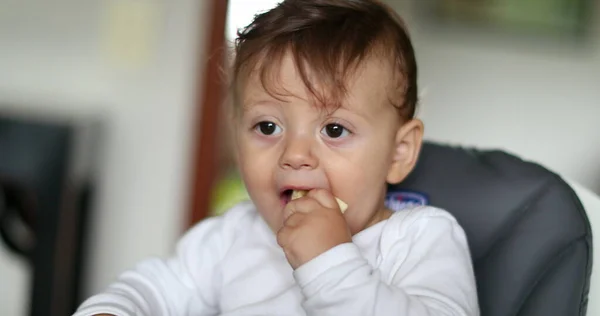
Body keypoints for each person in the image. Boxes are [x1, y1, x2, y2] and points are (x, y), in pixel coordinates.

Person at [74, 0, 479, 315]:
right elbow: (154, 290)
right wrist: (112, 310)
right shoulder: (236, 234)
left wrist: (330, 261)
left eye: (334, 130)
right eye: (268, 127)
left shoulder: (420, 240)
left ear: (398, 152)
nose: (295, 155)